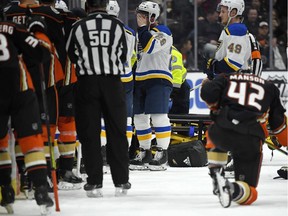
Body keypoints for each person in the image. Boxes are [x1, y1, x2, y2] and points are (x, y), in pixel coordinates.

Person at [66, 0, 130, 197]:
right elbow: (124, 55)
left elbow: (71, 54)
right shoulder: (119, 26)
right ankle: (121, 181)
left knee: (90, 132)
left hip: (87, 83)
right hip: (112, 83)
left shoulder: (77, 26)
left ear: (87, 7)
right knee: (117, 131)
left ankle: (94, 182)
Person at [200, 72, 287, 206]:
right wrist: (284, 142)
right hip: (251, 137)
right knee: (250, 193)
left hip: (223, 130)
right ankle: (233, 188)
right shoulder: (270, 87)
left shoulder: (225, 78)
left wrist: (215, 107)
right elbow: (279, 126)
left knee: (214, 130)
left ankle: (216, 169)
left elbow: (208, 93)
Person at [0, 1, 53, 213]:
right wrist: (37, 30)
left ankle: (6, 190)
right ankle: (40, 189)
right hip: (21, 90)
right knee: (31, 142)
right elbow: (42, 54)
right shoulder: (13, 28)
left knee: (1, 144)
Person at [129, 1, 173, 171]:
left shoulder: (164, 32)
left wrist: (141, 28)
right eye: (139, 14)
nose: (139, 17)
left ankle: (162, 153)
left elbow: (150, 47)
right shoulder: (142, 34)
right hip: (141, 78)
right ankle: (145, 152)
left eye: (143, 14)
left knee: (158, 116)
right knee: (139, 118)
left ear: (152, 17)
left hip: (158, 78)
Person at [205, 0, 262, 78]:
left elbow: (233, 63)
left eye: (223, 12)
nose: (220, 15)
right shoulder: (234, 31)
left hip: (235, 82)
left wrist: (213, 66)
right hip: (234, 80)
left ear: (233, 13)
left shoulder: (236, 30)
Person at [169, 46, 190, 114]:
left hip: (179, 88)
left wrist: (172, 93)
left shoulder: (172, 52)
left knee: (180, 116)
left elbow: (176, 72)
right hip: (170, 86)